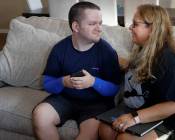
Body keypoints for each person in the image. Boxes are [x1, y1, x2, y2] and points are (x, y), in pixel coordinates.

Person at [99, 4, 175, 140]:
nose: (130, 27)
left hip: (173, 120)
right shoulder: (142, 50)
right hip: (145, 110)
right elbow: (136, 70)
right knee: (105, 130)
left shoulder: (169, 61)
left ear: (152, 29)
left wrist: (135, 118)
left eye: (135, 24)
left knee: (124, 139)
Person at [32, 2, 121, 140]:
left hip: (96, 104)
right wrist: (63, 82)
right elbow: (47, 83)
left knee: (88, 135)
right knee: (40, 115)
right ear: (76, 26)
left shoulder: (106, 51)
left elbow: (115, 88)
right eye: (93, 24)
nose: (99, 29)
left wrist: (93, 82)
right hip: (64, 99)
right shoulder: (59, 49)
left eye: (100, 23)